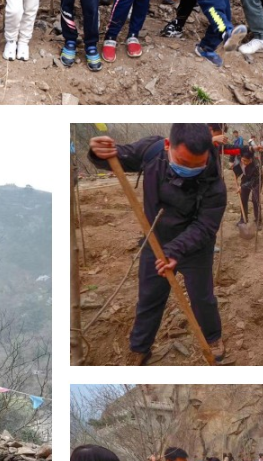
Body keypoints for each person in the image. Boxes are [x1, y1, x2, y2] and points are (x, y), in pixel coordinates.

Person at [88, 125, 226, 363]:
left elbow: (205, 226)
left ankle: (212, 337)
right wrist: (98, 152)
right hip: (156, 241)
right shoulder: (152, 151)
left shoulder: (215, 183)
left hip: (195, 247)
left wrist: (176, 251)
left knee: (202, 298)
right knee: (149, 297)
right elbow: (117, 158)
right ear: (167, 146)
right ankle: (140, 348)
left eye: (197, 164)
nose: (191, 169)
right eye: (184, 162)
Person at [237, 146, 262, 227]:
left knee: (255, 200)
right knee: (243, 198)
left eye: (246, 161)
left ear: (250, 160)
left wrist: (242, 186)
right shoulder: (240, 159)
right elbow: (237, 168)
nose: (244, 162)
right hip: (245, 178)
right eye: (242, 160)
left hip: (256, 181)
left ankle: (258, 220)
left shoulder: (256, 166)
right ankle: (243, 219)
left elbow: (253, 181)